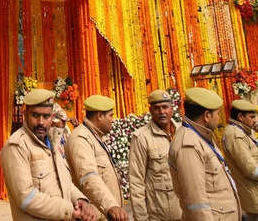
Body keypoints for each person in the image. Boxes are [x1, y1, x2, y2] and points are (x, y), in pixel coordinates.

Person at [0, 88, 99, 221]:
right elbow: (26, 198)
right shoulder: (17, 146)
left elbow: (64, 182)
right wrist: (69, 211)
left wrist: (81, 200)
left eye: (46, 116)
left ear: (52, 117)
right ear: (25, 114)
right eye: (35, 115)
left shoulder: (52, 141)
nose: (41, 122)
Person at [169, 87, 240, 220]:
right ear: (207, 116)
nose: (219, 119)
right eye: (218, 114)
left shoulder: (202, 136)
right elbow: (197, 203)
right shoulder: (188, 145)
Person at [65, 95, 128, 221]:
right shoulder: (81, 139)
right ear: (99, 116)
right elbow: (88, 177)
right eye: (111, 115)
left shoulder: (94, 136)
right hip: (95, 216)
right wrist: (110, 205)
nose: (113, 120)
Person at [129, 89, 182, 221]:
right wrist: (141, 218)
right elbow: (136, 182)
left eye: (165, 107)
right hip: (160, 215)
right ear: (151, 110)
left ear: (172, 108)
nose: (162, 112)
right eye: (157, 108)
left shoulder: (183, 132)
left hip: (187, 212)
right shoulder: (142, 137)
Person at [222, 99, 258, 221]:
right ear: (240, 117)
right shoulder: (234, 133)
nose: (255, 120)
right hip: (252, 199)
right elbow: (251, 170)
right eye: (252, 117)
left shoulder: (245, 131)